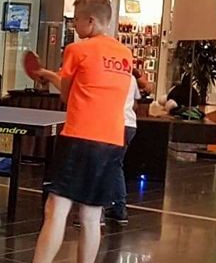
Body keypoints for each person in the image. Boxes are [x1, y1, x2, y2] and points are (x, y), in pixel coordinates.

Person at [0, 0, 134, 263]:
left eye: (76, 20)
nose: (74, 26)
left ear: (91, 21)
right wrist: (51, 75)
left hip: (79, 137)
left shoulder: (77, 49)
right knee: (91, 216)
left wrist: (50, 76)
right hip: (112, 141)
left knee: (56, 209)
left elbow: (67, 95)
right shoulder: (125, 54)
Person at [32, 61, 149, 226]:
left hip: (110, 124)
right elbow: (136, 102)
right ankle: (118, 209)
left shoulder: (102, 73)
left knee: (96, 166)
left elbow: (70, 92)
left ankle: (97, 213)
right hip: (129, 124)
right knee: (114, 166)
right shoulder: (127, 76)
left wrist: (49, 75)